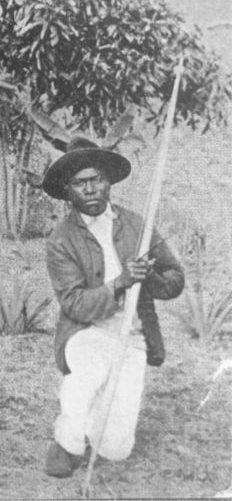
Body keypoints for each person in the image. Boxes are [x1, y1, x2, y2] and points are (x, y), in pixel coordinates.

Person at [41, 136, 183, 478]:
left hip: (131, 336)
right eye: (80, 183)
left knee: (116, 448)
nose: (90, 190)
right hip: (87, 332)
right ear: (68, 190)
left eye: (97, 180)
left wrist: (149, 278)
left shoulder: (138, 225)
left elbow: (175, 277)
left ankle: (96, 426)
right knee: (86, 376)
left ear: (109, 182)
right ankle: (67, 442)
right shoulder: (61, 239)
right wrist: (121, 281)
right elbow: (75, 304)